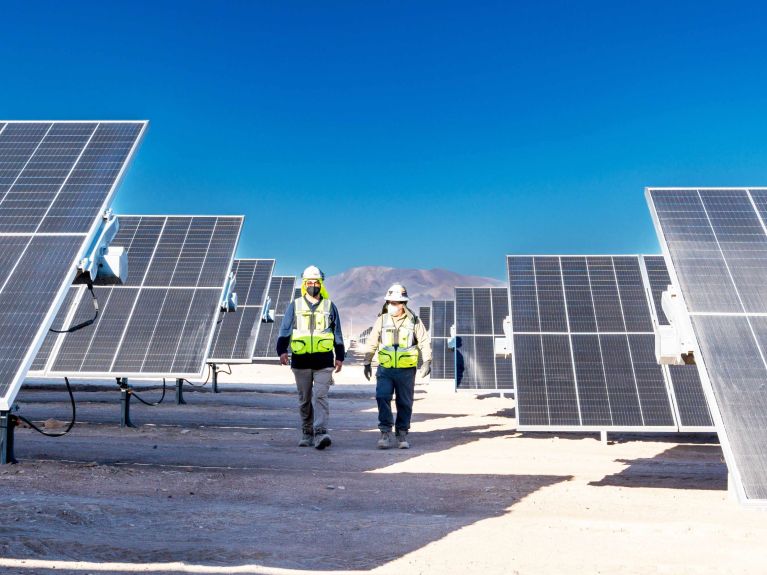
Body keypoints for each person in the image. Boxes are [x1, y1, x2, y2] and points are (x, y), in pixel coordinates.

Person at [277, 265, 344, 450]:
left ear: (321, 284)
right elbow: (285, 330)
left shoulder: (330, 306)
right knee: (305, 399)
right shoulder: (295, 306)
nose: (313, 285)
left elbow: (337, 333)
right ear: (304, 284)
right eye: (309, 282)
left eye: (316, 282)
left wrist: (340, 356)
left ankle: (320, 433)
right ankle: (307, 432)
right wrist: (282, 350)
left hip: (323, 361)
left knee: (320, 397)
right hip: (301, 361)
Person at [363, 283, 431, 449]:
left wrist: (427, 360)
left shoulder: (414, 320)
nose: (393, 306)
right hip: (385, 368)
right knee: (382, 396)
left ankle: (401, 433)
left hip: (406, 370)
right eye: (390, 302)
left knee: (405, 402)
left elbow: (423, 340)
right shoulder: (381, 320)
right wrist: (367, 361)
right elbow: (373, 341)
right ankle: (385, 432)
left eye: (396, 303)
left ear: (403, 303)